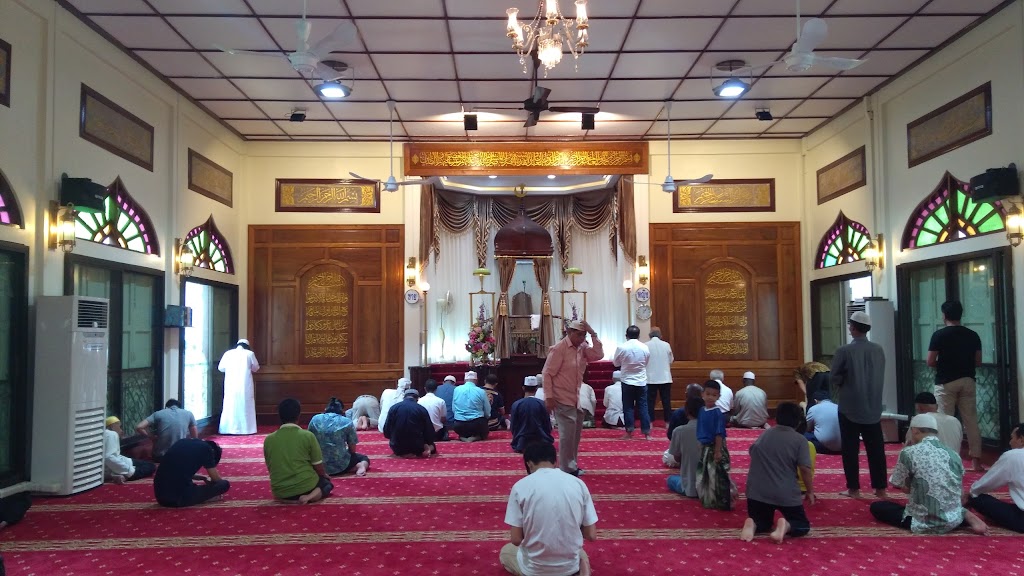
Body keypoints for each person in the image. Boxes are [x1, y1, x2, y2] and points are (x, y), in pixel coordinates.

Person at [869, 414, 987, 534]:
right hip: (952, 519)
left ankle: (939, 518)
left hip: (922, 520)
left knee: (878, 507)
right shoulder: (953, 454)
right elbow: (959, 489)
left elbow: (901, 485)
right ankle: (964, 515)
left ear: (915, 431)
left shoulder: (908, 452)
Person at [500, 442, 598, 576]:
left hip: (535, 569)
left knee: (506, 552)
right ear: (555, 462)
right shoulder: (578, 484)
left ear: (529, 464)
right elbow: (591, 535)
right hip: (569, 567)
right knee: (581, 554)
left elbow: (516, 539)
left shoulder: (520, 487)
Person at [831, 311, 888, 499]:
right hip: (873, 406)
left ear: (853, 328)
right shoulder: (878, 350)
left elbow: (834, 377)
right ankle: (880, 489)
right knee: (876, 450)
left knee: (850, 449)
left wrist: (846, 381)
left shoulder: (844, 351)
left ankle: (853, 489)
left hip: (850, 407)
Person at [740, 402, 815, 543]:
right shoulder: (800, 440)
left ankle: (754, 523)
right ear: (798, 421)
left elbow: (753, 452)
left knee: (764, 523)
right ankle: (786, 525)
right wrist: (810, 491)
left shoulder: (765, 434)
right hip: (785, 492)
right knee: (802, 525)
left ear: (776, 418)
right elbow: (805, 469)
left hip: (756, 492)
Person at [928, 300, 984, 471]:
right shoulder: (973, 335)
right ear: (961, 314)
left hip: (946, 382)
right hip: (968, 380)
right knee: (971, 421)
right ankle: (976, 461)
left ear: (944, 315)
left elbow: (930, 361)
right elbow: (978, 361)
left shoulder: (939, 335)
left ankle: (946, 459)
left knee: (945, 422)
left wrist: (944, 365)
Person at [542, 320, 603, 476]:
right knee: (567, 436)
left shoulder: (582, 348)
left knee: (574, 436)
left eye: (584, 335)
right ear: (569, 332)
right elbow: (547, 374)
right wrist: (549, 397)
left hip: (576, 398)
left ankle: (572, 465)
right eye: (579, 335)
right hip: (561, 397)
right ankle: (566, 469)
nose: (582, 338)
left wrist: (593, 333)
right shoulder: (559, 349)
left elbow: (598, 354)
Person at [263, 398, 333, 504]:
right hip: (306, 487)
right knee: (327, 484)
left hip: (280, 492)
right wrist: (324, 475)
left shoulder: (269, 439)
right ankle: (309, 497)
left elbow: (270, 467)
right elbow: (318, 466)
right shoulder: (308, 436)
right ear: (299, 415)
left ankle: (287, 499)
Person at [966, 423, 1024, 532]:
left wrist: (970, 493)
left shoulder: (1013, 456)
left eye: (1012, 438)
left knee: (976, 498)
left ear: (1021, 439)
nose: (1010, 442)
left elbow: (987, 483)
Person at [153, 439, 229, 508]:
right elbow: (216, 480)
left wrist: (201, 477)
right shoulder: (207, 450)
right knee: (224, 484)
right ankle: (206, 498)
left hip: (160, 497)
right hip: (178, 498)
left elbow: (175, 469)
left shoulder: (182, 441)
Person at [308, 397, 370, 477]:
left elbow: (308, 441)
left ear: (325, 409)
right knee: (363, 458)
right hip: (341, 465)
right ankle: (359, 467)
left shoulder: (315, 419)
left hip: (318, 465)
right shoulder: (346, 421)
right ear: (342, 411)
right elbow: (352, 450)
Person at [696, 381, 734, 511]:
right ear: (702, 394)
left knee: (716, 474)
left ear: (718, 396)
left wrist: (718, 451)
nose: (710, 397)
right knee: (705, 473)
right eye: (708, 394)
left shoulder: (717, 413)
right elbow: (700, 428)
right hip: (705, 446)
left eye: (714, 395)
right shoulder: (702, 410)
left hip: (714, 447)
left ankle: (720, 500)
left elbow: (719, 433)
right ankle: (708, 498)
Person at [614, 325, 651, 440]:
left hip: (627, 381)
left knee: (628, 407)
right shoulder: (644, 347)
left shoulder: (622, 347)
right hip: (641, 381)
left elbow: (616, 363)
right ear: (639, 336)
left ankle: (629, 432)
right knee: (643, 406)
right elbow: (646, 362)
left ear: (626, 336)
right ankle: (646, 433)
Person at [217, 338, 260, 435]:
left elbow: (221, 368)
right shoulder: (250, 354)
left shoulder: (228, 354)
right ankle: (247, 429)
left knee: (230, 405)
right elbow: (256, 368)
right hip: (245, 385)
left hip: (231, 384)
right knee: (245, 405)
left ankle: (228, 429)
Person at [383, 389, 438, 458]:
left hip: (397, 447)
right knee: (432, 445)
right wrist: (426, 442)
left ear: (404, 397)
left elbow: (386, 432)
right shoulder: (421, 409)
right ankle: (424, 451)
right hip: (417, 448)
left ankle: (405, 453)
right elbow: (429, 432)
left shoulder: (394, 408)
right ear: (417, 398)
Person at [666, 397, 704, 498]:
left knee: (670, 480)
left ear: (686, 411)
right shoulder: (714, 431)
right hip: (710, 486)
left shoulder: (679, 431)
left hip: (690, 486)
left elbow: (677, 458)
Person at [103, 416, 155, 483]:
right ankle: (124, 476)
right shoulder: (111, 434)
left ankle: (118, 475)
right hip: (115, 467)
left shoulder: (106, 434)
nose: (121, 430)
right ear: (112, 426)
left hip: (114, 464)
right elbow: (109, 457)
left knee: (147, 464)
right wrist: (129, 471)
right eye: (119, 427)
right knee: (150, 467)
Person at [509, 376, 553, 453]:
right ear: (536, 388)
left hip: (522, 443)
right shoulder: (542, 404)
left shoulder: (516, 404)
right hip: (542, 441)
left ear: (523, 388)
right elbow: (547, 425)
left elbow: (513, 426)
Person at [645, 327, 674, 423]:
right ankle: (668, 422)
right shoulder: (666, 345)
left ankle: (650, 422)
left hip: (650, 378)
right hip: (665, 377)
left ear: (649, 335)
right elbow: (671, 360)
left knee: (650, 402)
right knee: (666, 401)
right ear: (661, 336)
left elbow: (643, 361)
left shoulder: (645, 345)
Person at [452, 371, 490, 442]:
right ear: (476, 381)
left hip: (459, 425)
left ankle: (462, 437)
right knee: (484, 428)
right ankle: (477, 437)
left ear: (464, 380)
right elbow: (487, 412)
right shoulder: (481, 391)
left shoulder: (456, 390)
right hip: (477, 425)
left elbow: (454, 409)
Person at [805, 390, 841, 454]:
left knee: (802, 435)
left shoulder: (813, 409)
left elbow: (807, 428)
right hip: (843, 447)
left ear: (815, 401)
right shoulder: (838, 407)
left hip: (824, 447)